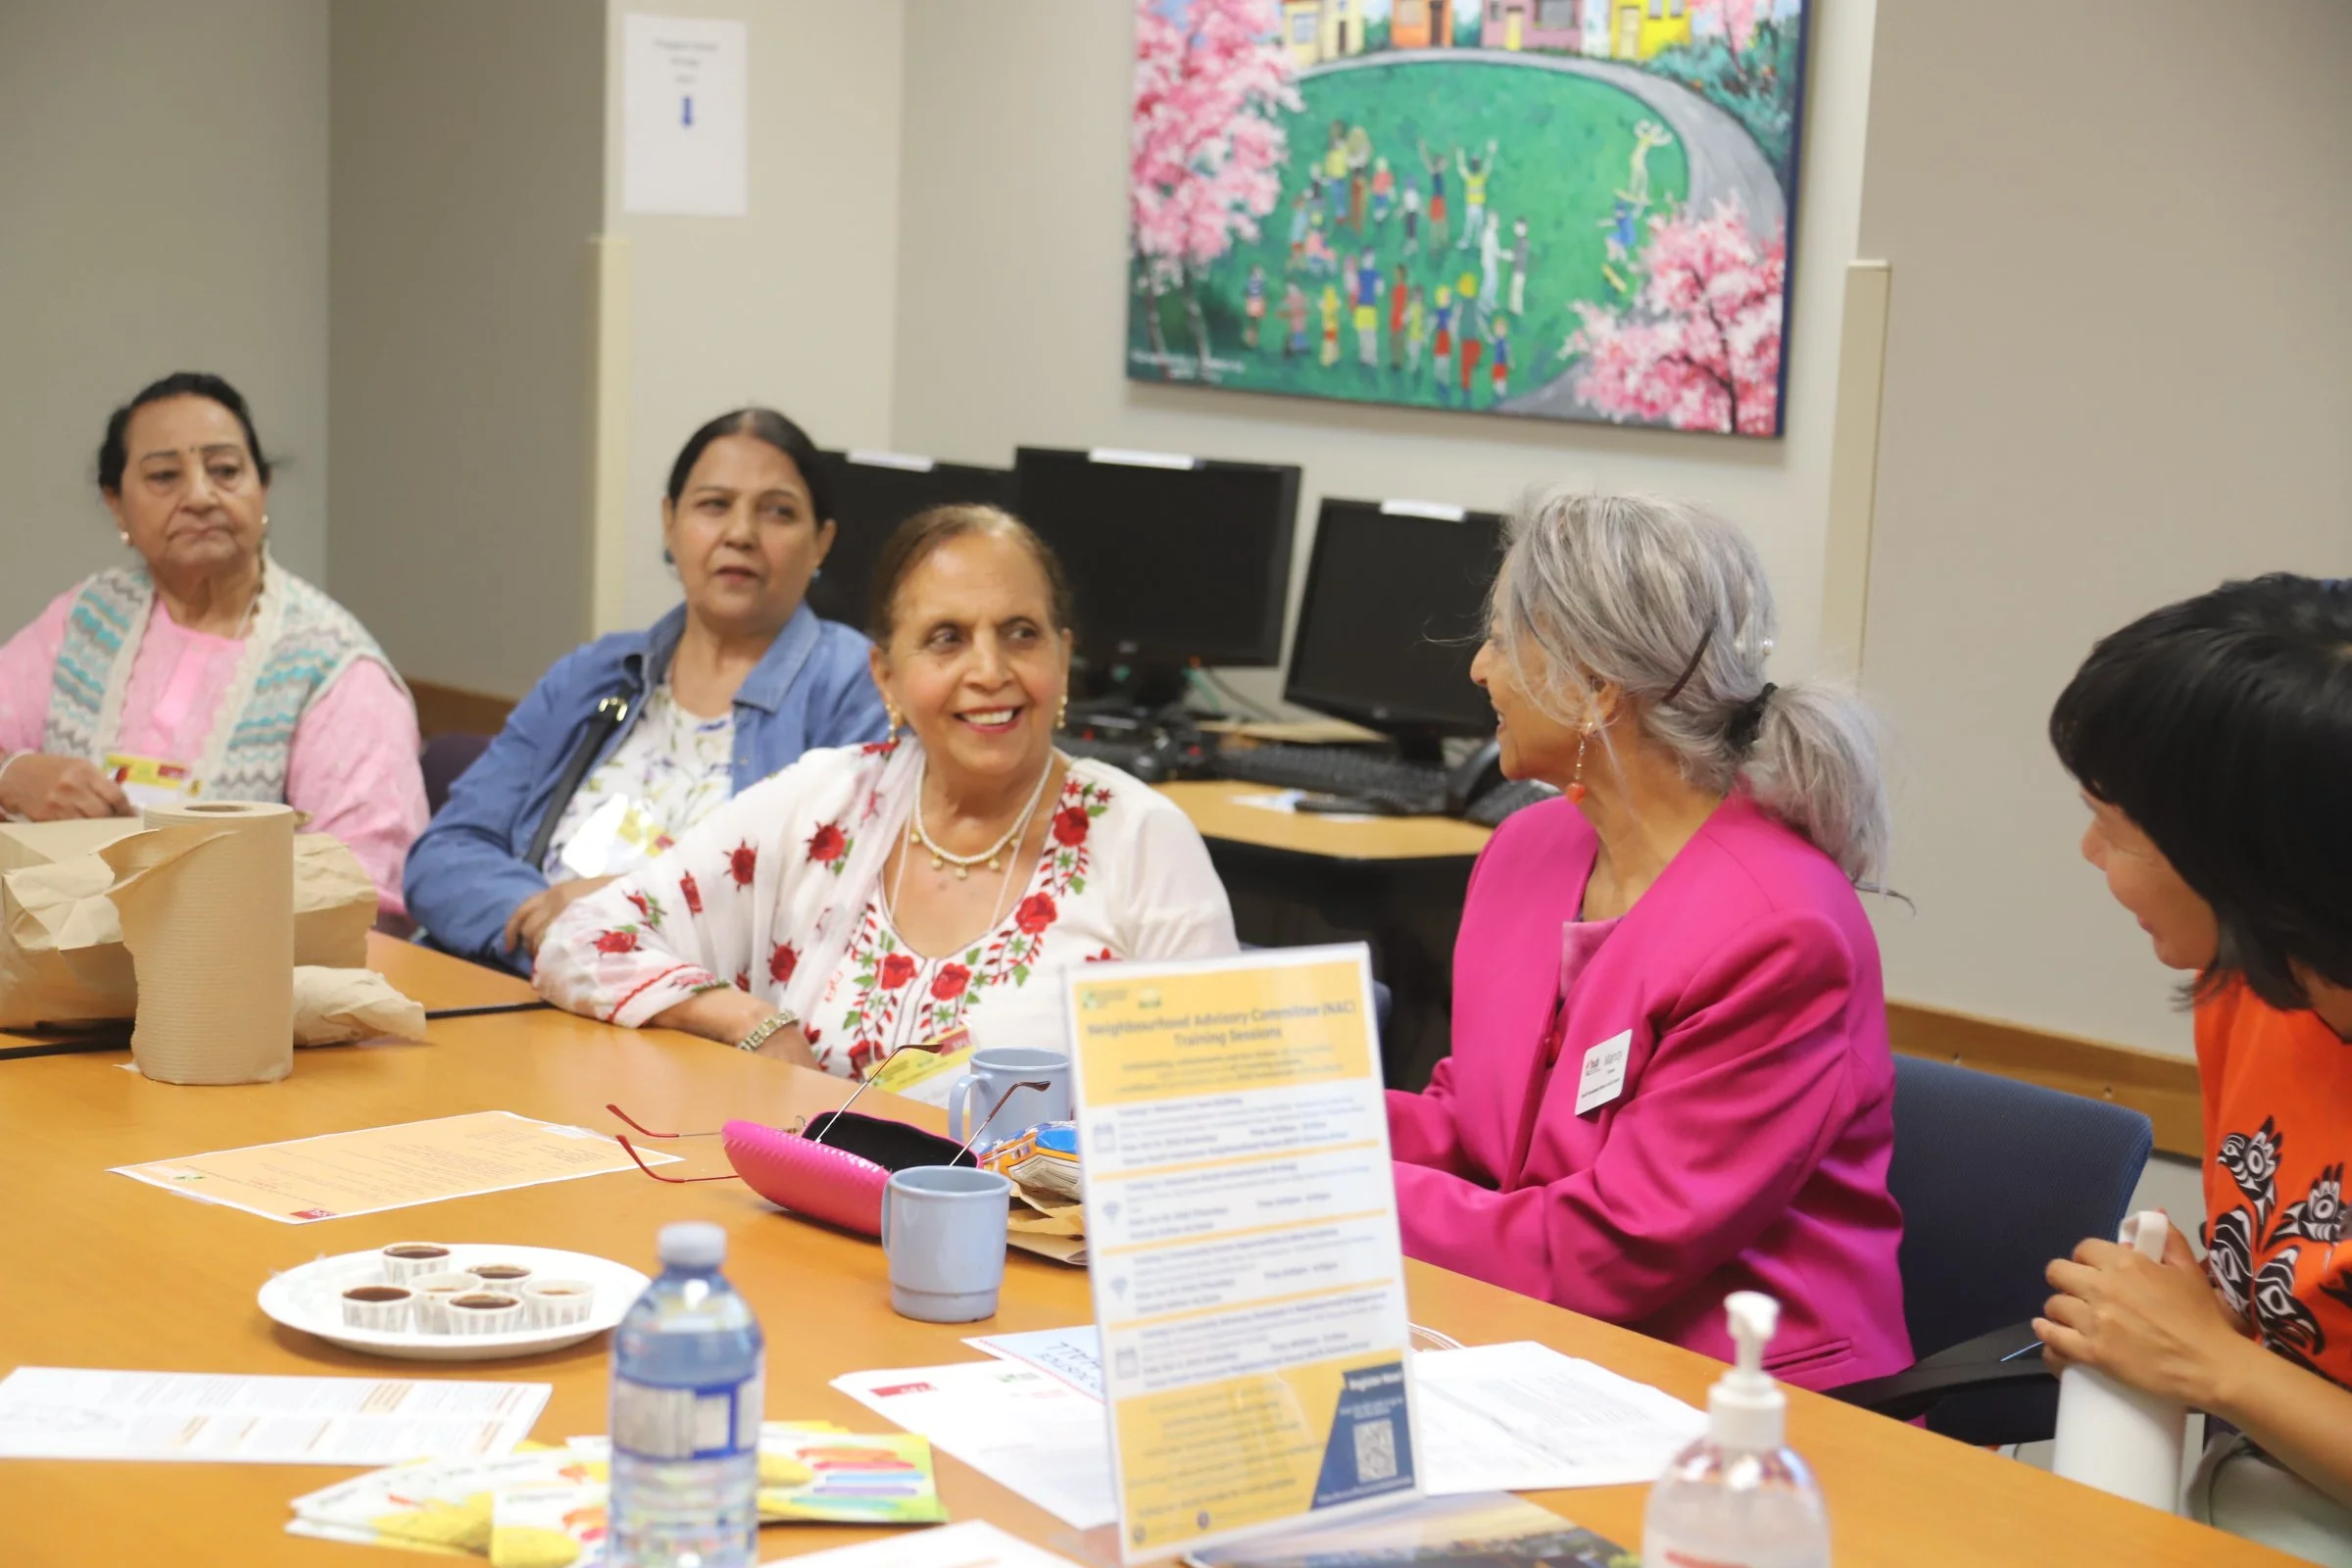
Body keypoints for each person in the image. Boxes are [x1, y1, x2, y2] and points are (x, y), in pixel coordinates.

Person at [1386, 490, 1909, 1391]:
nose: (1478, 670)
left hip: (1741, 1404)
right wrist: (1278, 1127)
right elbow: (1474, 1125)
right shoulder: (1525, 851)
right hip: (1533, 1345)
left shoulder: (1781, 931)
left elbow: (1608, 1249)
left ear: (1595, 688)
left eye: (1505, 641)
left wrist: (1330, 1190)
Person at [532, 506, 1238, 1085]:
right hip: (803, 1226)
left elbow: (1221, 1109)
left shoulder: (1146, 843)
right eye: (946, 639)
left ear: (1061, 656)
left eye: (1020, 634)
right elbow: (582, 938)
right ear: (887, 677)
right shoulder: (825, 804)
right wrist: (751, 1023)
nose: (989, 671)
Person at [2041, 576, 2352, 1563]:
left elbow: (2239, 1373)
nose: (2091, 853)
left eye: (2116, 826)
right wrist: (2191, 1317)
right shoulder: (2255, 995)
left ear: (2247, 863)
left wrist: (2211, 1361)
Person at [405, 409, 885, 972]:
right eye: (713, 505)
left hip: (702, 1033)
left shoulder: (858, 687)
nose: (741, 534)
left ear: (821, 542)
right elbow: (444, 854)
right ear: (670, 522)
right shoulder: (596, 673)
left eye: (778, 512)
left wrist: (624, 913)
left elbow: (826, 908)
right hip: (523, 998)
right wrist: (553, 927)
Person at [0, 371, 423, 916]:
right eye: (164, 476)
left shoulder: (330, 664)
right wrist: (12, 776)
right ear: (116, 505)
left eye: (225, 471)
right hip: (51, 963)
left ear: (262, 488)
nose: (200, 496)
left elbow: (363, 893)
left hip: (240, 978)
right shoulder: (89, 618)